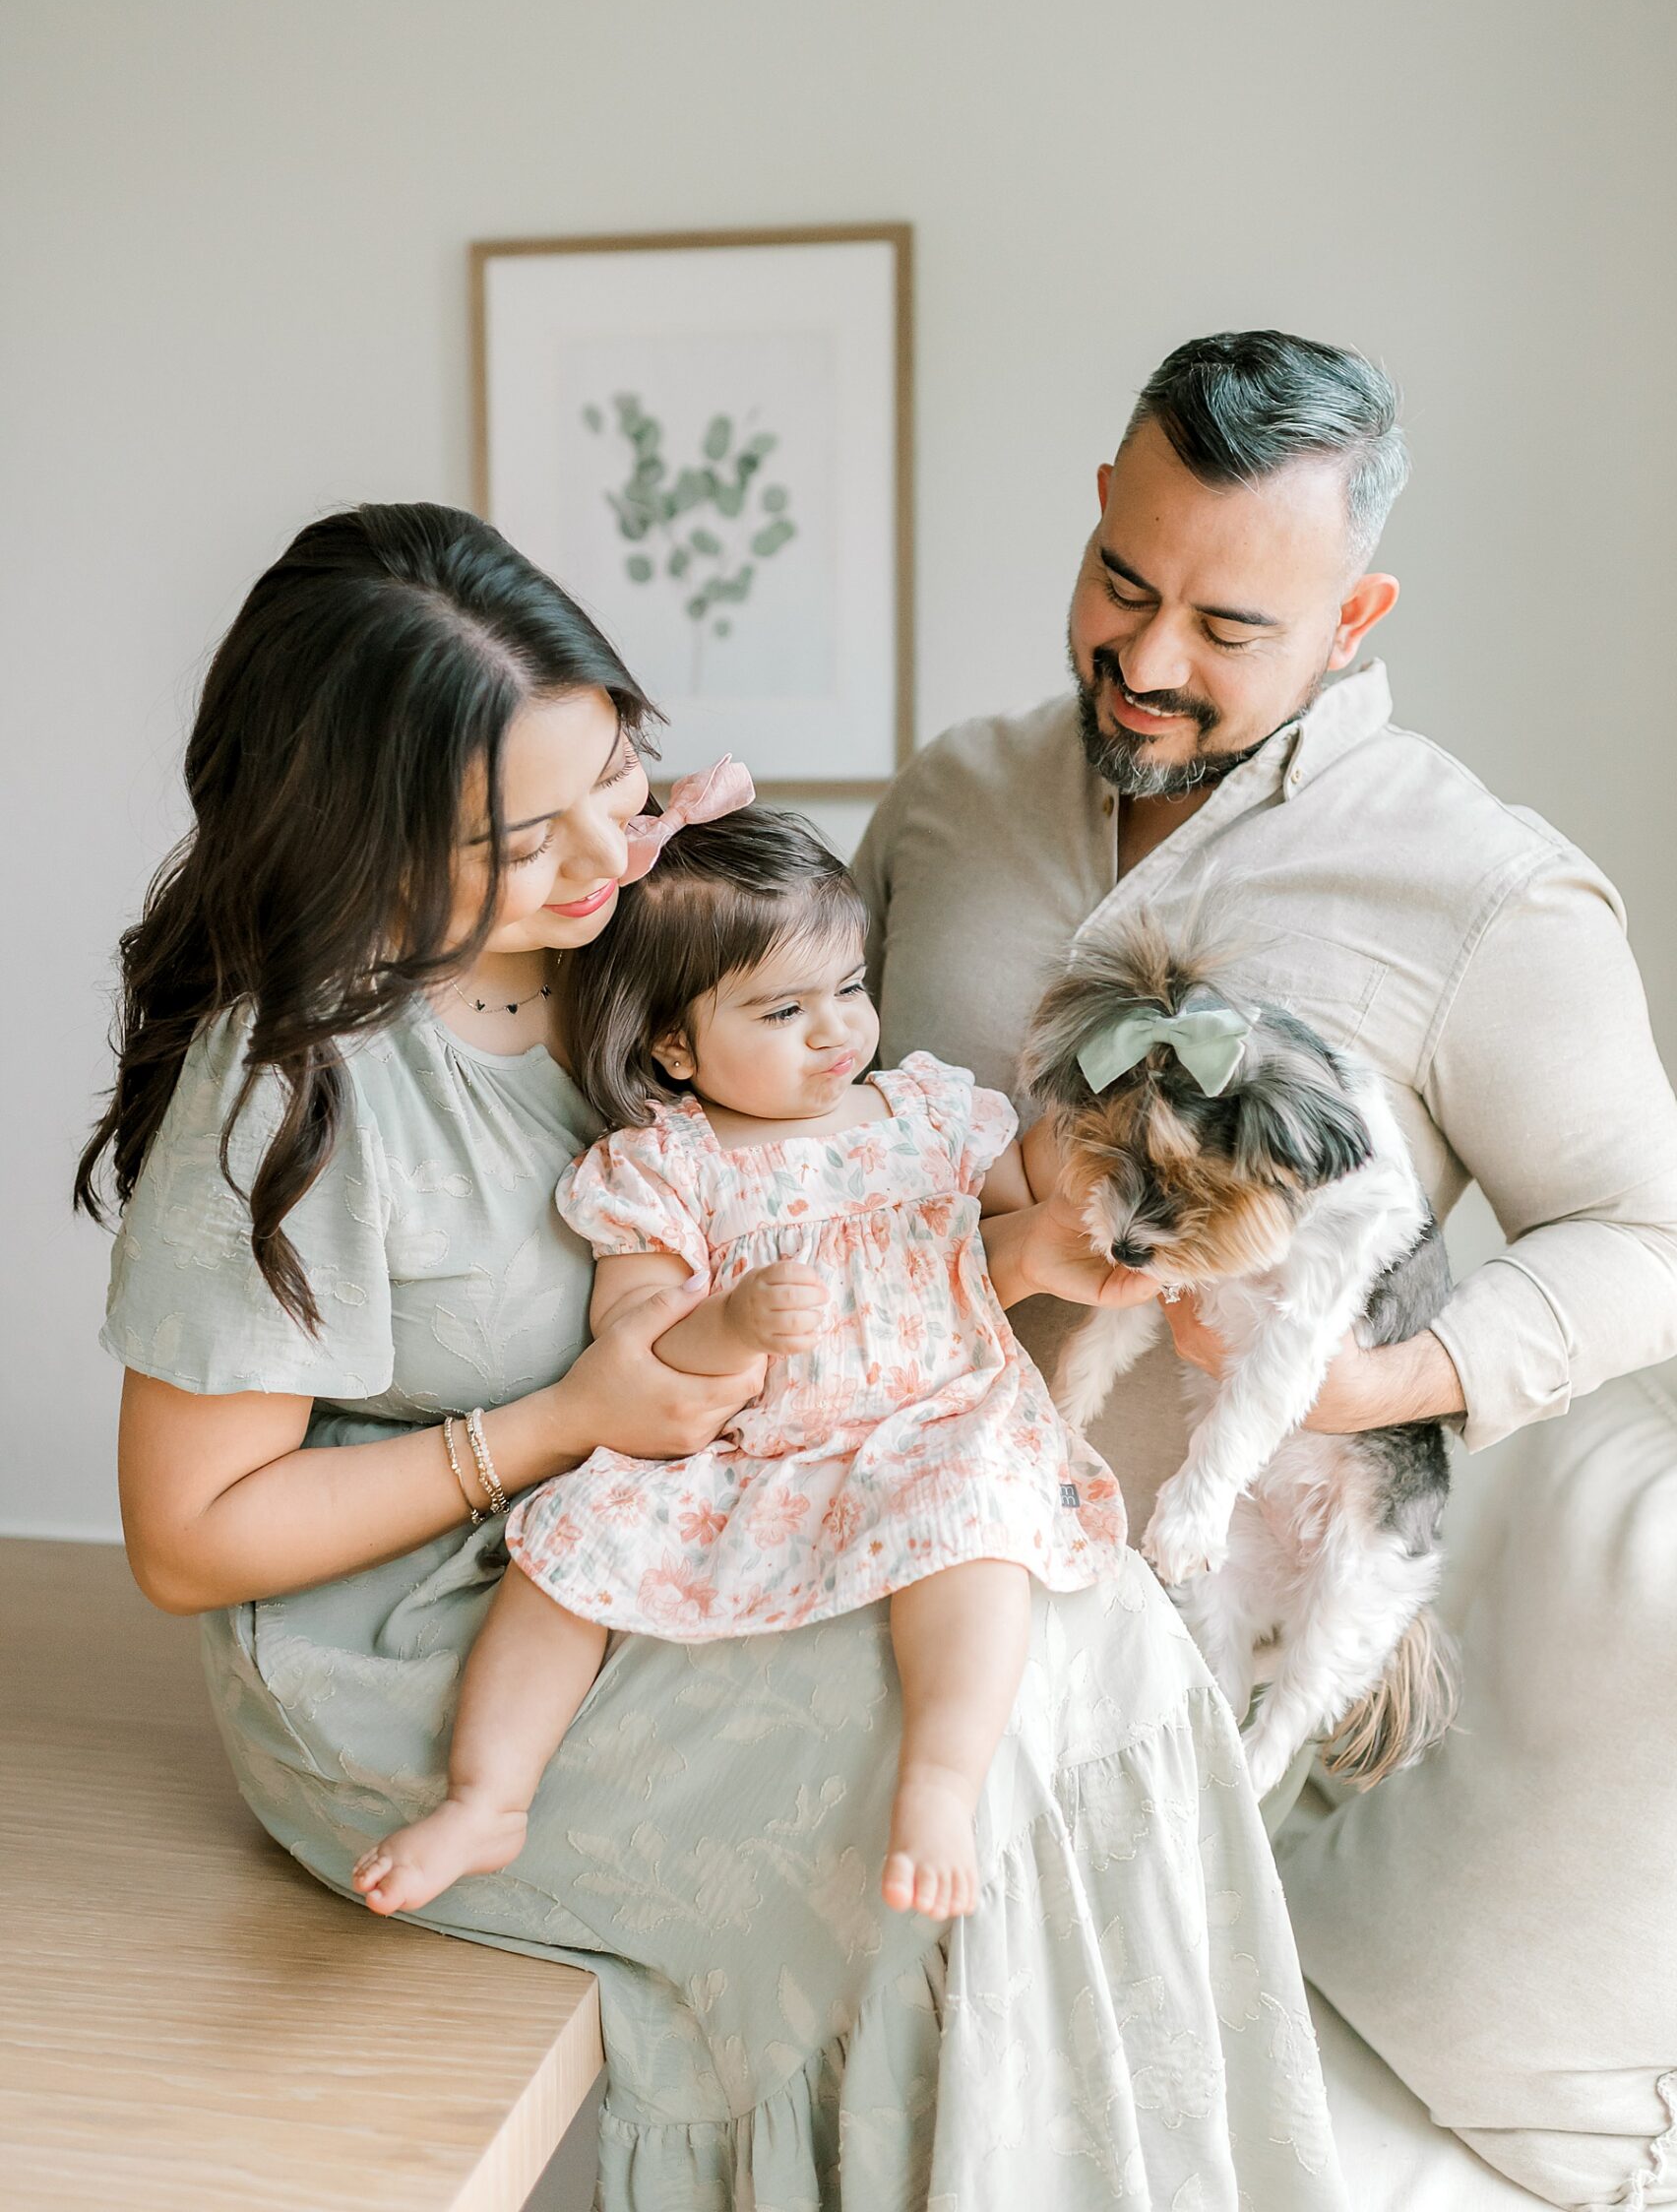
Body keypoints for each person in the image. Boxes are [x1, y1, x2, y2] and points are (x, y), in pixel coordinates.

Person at [81, 502, 1348, 2209]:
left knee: (1078, 1636)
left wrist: (1043, 1233)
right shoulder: (289, 1085)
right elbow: (186, 1540)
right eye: (522, 839)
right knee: (909, 1788)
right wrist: (558, 1423)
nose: (601, 855)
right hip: (429, 1628)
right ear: (361, 840)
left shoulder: (651, 930)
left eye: (616, 775)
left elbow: (827, 1219)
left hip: (713, 1502)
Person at [855, 329, 1677, 1555]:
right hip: (852, 1551)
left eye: (1228, 630)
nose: (1147, 661)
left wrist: (1377, 1384)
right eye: (1124, 583)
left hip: (1202, 1628)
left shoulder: (1492, 890)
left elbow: (1650, 1239)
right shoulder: (948, 795)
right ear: (1101, 508)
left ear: (1351, 619)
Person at [352, 791, 1126, 1928]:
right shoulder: (666, 1168)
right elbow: (638, 1336)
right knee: (565, 1550)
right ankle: (487, 1796)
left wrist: (1087, 1182)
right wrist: (735, 1318)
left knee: (977, 1530)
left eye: (850, 987)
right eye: (782, 1010)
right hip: (741, 1448)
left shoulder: (920, 1116)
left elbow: (1012, 1208)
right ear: (676, 1041)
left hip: (934, 1418)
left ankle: (941, 1782)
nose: (835, 1030)